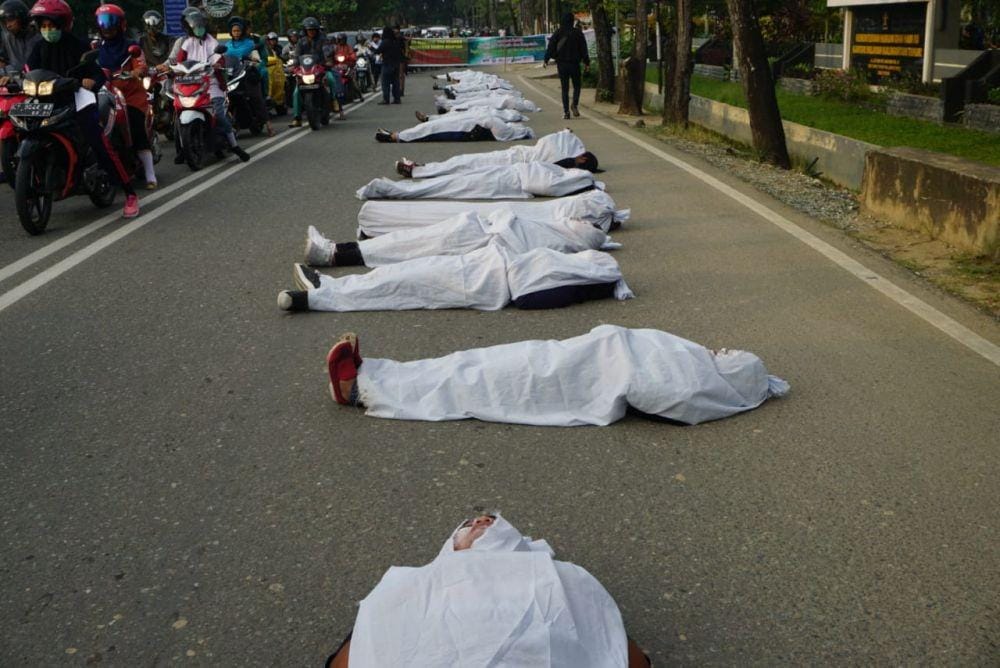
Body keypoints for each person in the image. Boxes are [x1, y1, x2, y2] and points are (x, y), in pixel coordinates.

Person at [323, 513, 652, 668]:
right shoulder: (414, 583)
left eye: (491, 522)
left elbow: (619, 651)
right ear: (450, 549)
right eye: (472, 523)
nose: (481, 522)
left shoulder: (561, 577)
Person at [323, 325, 790, 426]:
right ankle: (379, 374)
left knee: (479, 380)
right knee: (473, 361)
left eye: (730, 355)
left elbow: (652, 391)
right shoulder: (692, 357)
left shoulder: (693, 380)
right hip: (567, 353)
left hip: (571, 373)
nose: (721, 347)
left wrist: (613, 367)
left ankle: (365, 387)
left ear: (732, 379)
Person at [25, 0, 140, 218]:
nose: (48, 30)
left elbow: (97, 73)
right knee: (26, 129)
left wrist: (90, 81)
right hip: (47, 99)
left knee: (98, 141)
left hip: (77, 96)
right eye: (44, 26)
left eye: (52, 25)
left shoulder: (79, 45)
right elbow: (29, 70)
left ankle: (130, 193)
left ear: (63, 24)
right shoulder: (38, 46)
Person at [277, 244, 631, 313]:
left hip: (481, 283)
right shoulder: (568, 262)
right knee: (401, 275)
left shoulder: (574, 284)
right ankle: (324, 289)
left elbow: (529, 299)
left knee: (402, 287)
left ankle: (320, 295)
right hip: (479, 265)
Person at [303, 208, 618, 267]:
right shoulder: (561, 236)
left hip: (477, 240)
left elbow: (517, 238)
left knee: (401, 248)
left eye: (580, 222)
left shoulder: (565, 242)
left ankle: (332, 254)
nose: (574, 219)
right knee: (402, 242)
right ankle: (335, 250)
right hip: (476, 231)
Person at [357, 188, 628, 238]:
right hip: (521, 213)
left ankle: (376, 223)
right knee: (442, 218)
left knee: (444, 217)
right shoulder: (594, 208)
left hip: (521, 214)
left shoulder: (594, 207)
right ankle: (376, 222)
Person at [169, 7, 250, 162]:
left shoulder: (212, 42)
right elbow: (179, 60)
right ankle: (182, 147)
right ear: (189, 28)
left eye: (200, 25)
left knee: (219, 114)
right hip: (190, 83)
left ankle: (234, 145)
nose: (198, 29)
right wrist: (172, 69)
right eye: (195, 26)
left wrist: (218, 64)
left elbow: (219, 57)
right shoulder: (187, 43)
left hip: (211, 83)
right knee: (177, 112)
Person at [94, 4, 157, 190]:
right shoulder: (96, 47)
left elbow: (141, 64)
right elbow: (88, 64)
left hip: (130, 96)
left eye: (112, 22)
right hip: (105, 94)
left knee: (136, 125)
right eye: (103, 23)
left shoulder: (132, 46)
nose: (107, 27)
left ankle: (150, 174)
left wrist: (137, 71)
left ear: (121, 24)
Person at [356, 160, 603, 200]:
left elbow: (540, 183)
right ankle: (391, 187)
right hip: (507, 175)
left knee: (447, 187)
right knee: (452, 179)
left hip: (507, 181)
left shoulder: (577, 179)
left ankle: (387, 189)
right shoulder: (574, 176)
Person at [393, 129, 591, 178]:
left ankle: (419, 170)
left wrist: (567, 135)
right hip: (513, 158)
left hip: (511, 161)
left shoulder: (564, 160)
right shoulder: (565, 161)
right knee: (464, 164)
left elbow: (563, 135)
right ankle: (422, 169)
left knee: (464, 163)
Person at [225, 16, 273, 136]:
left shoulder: (250, 43)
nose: (236, 33)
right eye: (234, 31)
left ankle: (269, 125)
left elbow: (259, 57)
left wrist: (254, 61)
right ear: (231, 32)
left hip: (247, 74)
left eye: (238, 31)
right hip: (232, 76)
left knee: (255, 97)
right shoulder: (227, 45)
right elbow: (223, 58)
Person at [374, 110, 534, 143]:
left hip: (469, 130)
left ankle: (397, 136)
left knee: (433, 129)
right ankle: (398, 134)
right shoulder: (505, 124)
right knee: (436, 124)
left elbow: (500, 131)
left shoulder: (506, 130)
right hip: (472, 123)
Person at [288, 16, 335, 128]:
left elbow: (327, 53)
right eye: (309, 30)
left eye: (313, 29)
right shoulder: (301, 42)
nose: (311, 32)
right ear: (305, 30)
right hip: (305, 71)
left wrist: (328, 61)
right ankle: (297, 117)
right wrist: (293, 65)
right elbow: (297, 56)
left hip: (320, 69)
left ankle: (334, 101)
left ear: (317, 30)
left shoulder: (323, 40)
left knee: (331, 79)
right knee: (296, 92)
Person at [544, 12, 590, 119]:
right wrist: (587, 62)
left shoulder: (558, 32)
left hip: (562, 64)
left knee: (565, 88)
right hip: (575, 64)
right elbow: (584, 49)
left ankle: (566, 112)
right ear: (572, 21)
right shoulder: (578, 33)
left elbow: (551, 47)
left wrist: (546, 59)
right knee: (577, 86)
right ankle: (574, 104)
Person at [0, 0, 39, 76]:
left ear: (22, 18)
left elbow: (29, 67)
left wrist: (11, 75)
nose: (8, 25)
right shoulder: (7, 37)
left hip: (35, 82)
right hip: (13, 81)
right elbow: (3, 59)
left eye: (10, 20)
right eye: (5, 22)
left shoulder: (39, 38)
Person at [373, 24, 400, 104]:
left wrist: (371, 48)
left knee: (385, 82)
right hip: (396, 64)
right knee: (395, 82)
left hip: (387, 64)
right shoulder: (395, 41)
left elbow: (378, 51)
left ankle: (386, 99)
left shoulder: (385, 42)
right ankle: (397, 99)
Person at [331, 32, 355, 119]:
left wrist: (348, 57)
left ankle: (341, 110)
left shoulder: (348, 47)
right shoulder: (334, 48)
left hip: (346, 65)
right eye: (339, 39)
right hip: (335, 66)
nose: (340, 41)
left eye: (342, 39)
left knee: (350, 77)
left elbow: (353, 56)